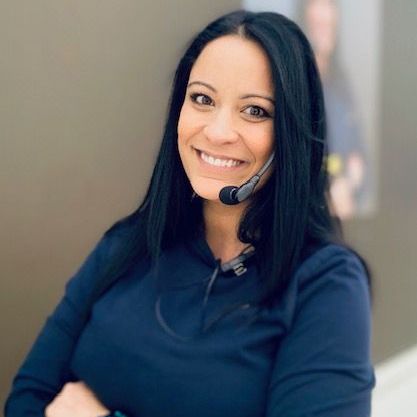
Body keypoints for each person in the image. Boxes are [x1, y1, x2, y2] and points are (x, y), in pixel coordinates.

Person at [4, 10, 375, 417]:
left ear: (291, 133)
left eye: (254, 111)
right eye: (202, 99)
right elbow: (27, 398)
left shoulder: (326, 285)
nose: (217, 131)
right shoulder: (128, 244)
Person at [298, 0, 372, 219]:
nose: (324, 34)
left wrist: (347, 185)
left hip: (342, 217)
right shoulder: (291, 85)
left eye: (329, 26)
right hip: (304, 216)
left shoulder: (341, 86)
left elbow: (358, 156)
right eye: (318, 26)